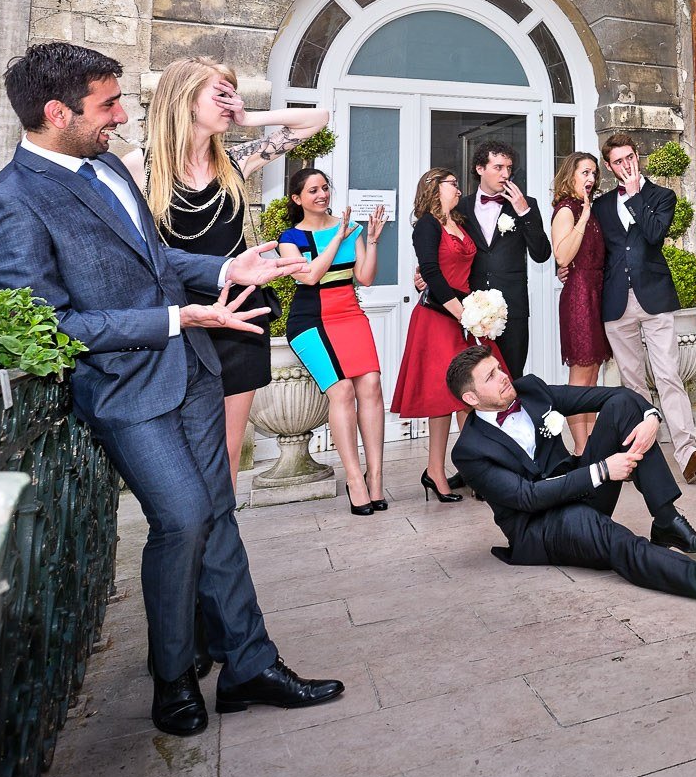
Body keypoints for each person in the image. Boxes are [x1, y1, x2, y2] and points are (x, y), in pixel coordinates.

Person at [0, 43, 340, 738]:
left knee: (217, 513)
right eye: (107, 104)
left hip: (193, 370)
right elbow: (47, 324)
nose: (121, 116)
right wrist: (178, 318)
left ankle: (249, 665)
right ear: (57, 112)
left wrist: (226, 270)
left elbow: (155, 256)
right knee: (183, 517)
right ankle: (173, 678)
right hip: (124, 391)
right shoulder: (6, 204)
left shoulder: (107, 166)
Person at [134, 58, 328, 488]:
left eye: (233, 92)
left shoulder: (236, 161)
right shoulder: (141, 167)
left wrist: (250, 117)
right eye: (220, 94)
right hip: (180, 321)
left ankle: (220, 530)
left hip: (241, 315)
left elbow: (318, 118)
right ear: (186, 99)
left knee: (227, 451)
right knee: (178, 454)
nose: (231, 101)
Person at [447, 345, 696, 605]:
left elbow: (612, 397)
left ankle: (667, 520)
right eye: (490, 377)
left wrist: (650, 418)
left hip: (579, 492)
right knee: (618, 541)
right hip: (539, 526)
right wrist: (602, 470)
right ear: (471, 398)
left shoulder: (530, 391)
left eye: (499, 368)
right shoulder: (469, 451)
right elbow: (526, 497)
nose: (503, 377)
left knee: (622, 405)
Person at [594, 134, 696, 483]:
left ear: (638, 157)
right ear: (609, 166)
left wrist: (636, 195)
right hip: (616, 301)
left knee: (668, 375)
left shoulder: (661, 197)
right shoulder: (602, 206)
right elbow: (598, 252)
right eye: (618, 161)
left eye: (630, 157)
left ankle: (688, 453)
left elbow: (654, 235)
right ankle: (641, 457)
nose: (626, 165)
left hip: (654, 297)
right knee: (632, 382)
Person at [276, 169, 387, 513]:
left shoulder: (350, 227)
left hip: (350, 314)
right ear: (297, 199)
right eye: (313, 190)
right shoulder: (289, 238)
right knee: (342, 390)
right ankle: (354, 480)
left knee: (371, 385)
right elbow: (309, 277)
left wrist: (372, 240)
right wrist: (337, 238)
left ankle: (375, 477)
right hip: (311, 321)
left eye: (325, 188)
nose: (322, 194)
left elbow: (365, 278)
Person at [390, 167, 482, 502]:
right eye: (452, 184)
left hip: (464, 316)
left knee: (466, 395)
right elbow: (430, 272)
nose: (458, 189)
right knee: (446, 396)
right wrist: (462, 313)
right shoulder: (426, 225)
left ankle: (472, 470)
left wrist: (478, 309)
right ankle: (436, 471)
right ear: (434, 187)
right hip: (438, 318)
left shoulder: (460, 221)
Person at [458, 141, 551, 378]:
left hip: (513, 308)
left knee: (513, 375)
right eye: (498, 167)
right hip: (471, 308)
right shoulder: (460, 208)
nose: (505, 174)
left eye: (509, 168)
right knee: (472, 378)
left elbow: (541, 254)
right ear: (480, 168)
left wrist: (524, 212)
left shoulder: (527, 204)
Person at [549, 151, 612, 455]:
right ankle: (580, 448)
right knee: (580, 374)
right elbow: (562, 256)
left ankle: (590, 444)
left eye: (593, 173)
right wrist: (583, 219)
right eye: (585, 172)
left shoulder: (591, 208)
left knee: (593, 374)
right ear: (570, 175)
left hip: (597, 293)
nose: (591, 178)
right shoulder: (566, 210)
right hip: (579, 296)